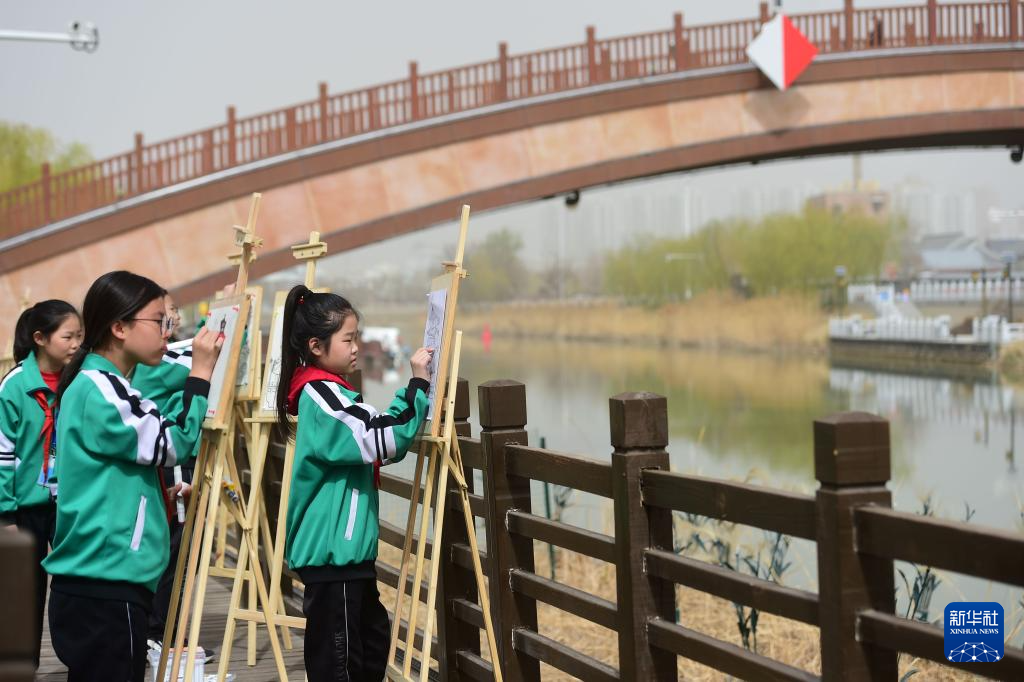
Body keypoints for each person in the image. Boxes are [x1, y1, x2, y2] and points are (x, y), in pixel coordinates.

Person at [42, 271, 223, 681]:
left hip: (97, 579)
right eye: (158, 320)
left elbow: (116, 467)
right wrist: (200, 374)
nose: (166, 331)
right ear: (119, 328)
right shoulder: (102, 388)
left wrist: (155, 495)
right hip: (106, 582)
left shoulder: (99, 384)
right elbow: (174, 442)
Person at [275, 284, 432, 681]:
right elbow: (382, 437)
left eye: (356, 338)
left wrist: (410, 396)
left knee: (370, 645)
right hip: (334, 556)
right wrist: (418, 386)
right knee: (340, 664)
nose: (356, 348)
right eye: (348, 339)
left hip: (346, 555)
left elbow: (373, 430)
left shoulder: (330, 392)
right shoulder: (321, 395)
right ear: (315, 346)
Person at [0, 299, 82, 667]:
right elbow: (1, 455)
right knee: (25, 593)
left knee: (76, 584)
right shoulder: (15, 386)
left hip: (68, 502)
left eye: (79, 336)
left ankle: (81, 660)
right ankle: (23, 666)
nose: (76, 344)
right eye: (68, 337)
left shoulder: (78, 380)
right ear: (40, 339)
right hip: (24, 508)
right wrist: (5, 515)